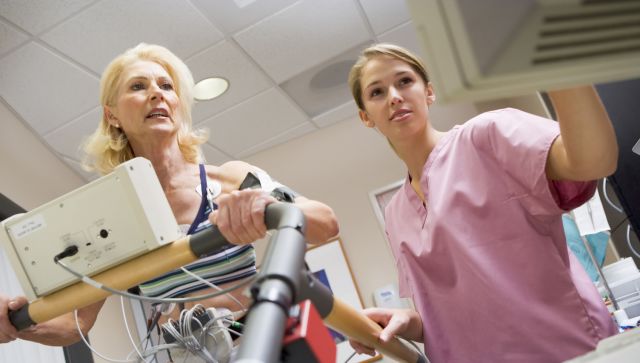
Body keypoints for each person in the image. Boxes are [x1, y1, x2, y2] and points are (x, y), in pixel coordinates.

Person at [0, 43, 339, 351]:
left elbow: (326, 223)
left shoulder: (231, 179)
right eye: (138, 86)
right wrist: (17, 322)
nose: (156, 94)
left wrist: (268, 207)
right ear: (112, 115)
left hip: (260, 346)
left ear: (178, 105)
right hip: (183, 354)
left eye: (166, 86)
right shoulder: (112, 217)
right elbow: (74, 324)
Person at [347, 43, 619, 363]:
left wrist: (560, 60)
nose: (394, 96)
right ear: (366, 117)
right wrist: (407, 322)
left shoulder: (488, 137)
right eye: (377, 92)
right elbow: (452, 318)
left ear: (429, 92)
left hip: (569, 352)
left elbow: (593, 161)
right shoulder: (395, 215)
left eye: (405, 81)